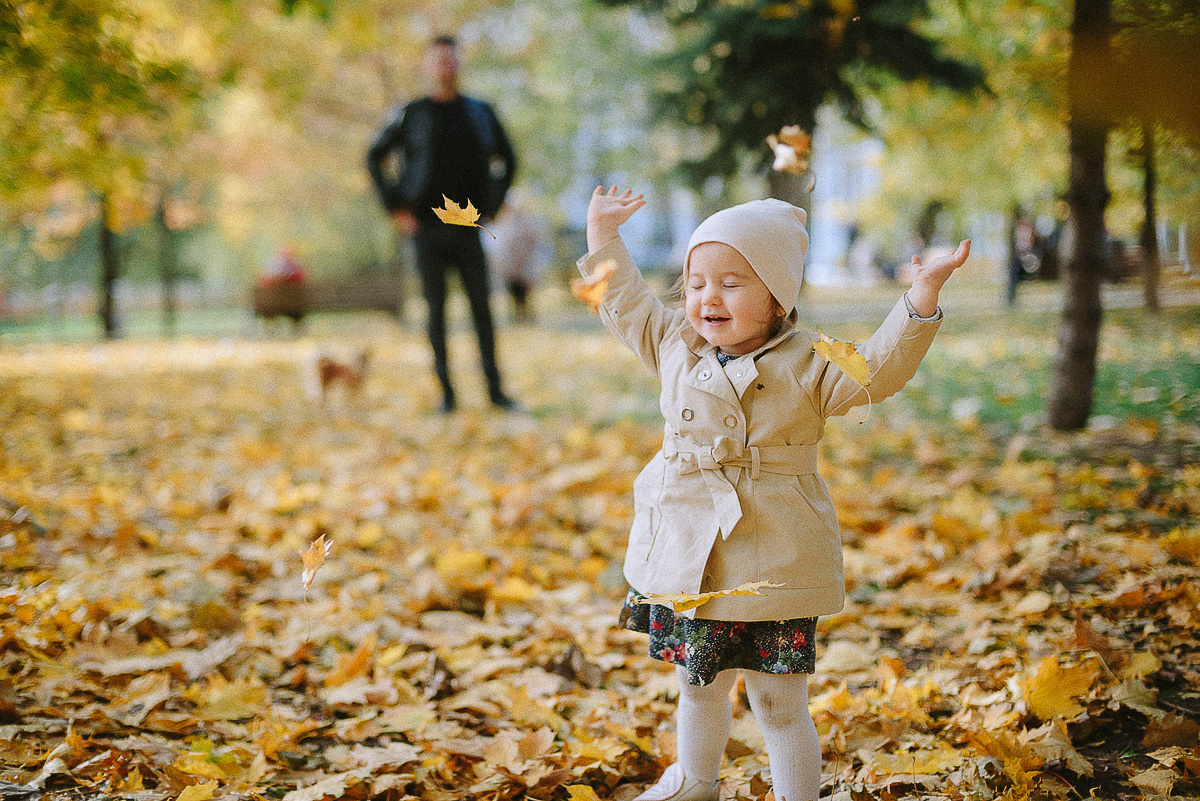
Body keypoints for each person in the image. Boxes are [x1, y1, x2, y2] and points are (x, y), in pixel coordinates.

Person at [579, 186, 970, 801]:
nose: (709, 297)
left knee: (778, 701)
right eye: (696, 283)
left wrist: (920, 298)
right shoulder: (675, 343)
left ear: (778, 299)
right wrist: (604, 236)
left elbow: (876, 369)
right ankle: (697, 782)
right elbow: (624, 300)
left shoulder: (808, 361)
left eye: (732, 283)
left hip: (775, 558)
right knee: (698, 683)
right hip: (693, 553)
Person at [366, 34, 518, 413]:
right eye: (438, 59)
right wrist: (395, 208)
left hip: (469, 227)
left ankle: (495, 391)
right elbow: (374, 156)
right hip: (425, 229)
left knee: (482, 309)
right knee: (435, 312)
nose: (445, 66)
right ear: (427, 66)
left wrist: (494, 206)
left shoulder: (480, 112)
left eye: (451, 59)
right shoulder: (410, 113)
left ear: (459, 64)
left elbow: (509, 159)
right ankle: (446, 394)